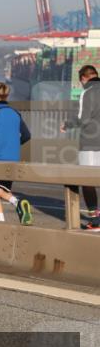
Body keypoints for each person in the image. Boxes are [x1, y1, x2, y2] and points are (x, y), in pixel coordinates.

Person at [0, 82, 33, 225]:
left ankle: (1, 223)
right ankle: (18, 203)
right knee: (0, 190)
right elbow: (27, 135)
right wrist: (14, 144)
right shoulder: (15, 113)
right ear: (7, 95)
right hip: (13, 159)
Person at [62, 65, 100, 231]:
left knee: (87, 180)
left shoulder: (88, 92)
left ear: (84, 78)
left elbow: (83, 119)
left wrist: (67, 124)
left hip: (91, 143)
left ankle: (95, 220)